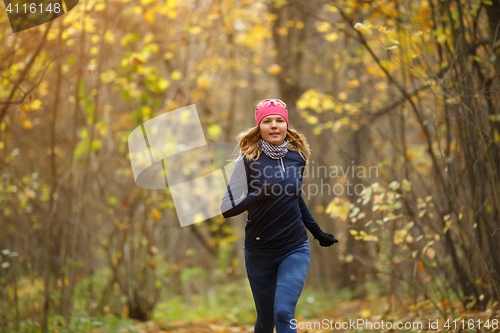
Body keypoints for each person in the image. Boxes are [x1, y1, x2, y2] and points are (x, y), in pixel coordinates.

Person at [220, 99, 338, 333]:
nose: (274, 125)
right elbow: (226, 208)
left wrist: (316, 232)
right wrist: (256, 197)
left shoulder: (298, 158)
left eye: (279, 120)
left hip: (294, 247)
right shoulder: (247, 162)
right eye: (267, 121)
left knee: (283, 313)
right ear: (259, 128)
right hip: (259, 251)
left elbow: (295, 198)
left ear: (286, 125)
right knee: (266, 321)